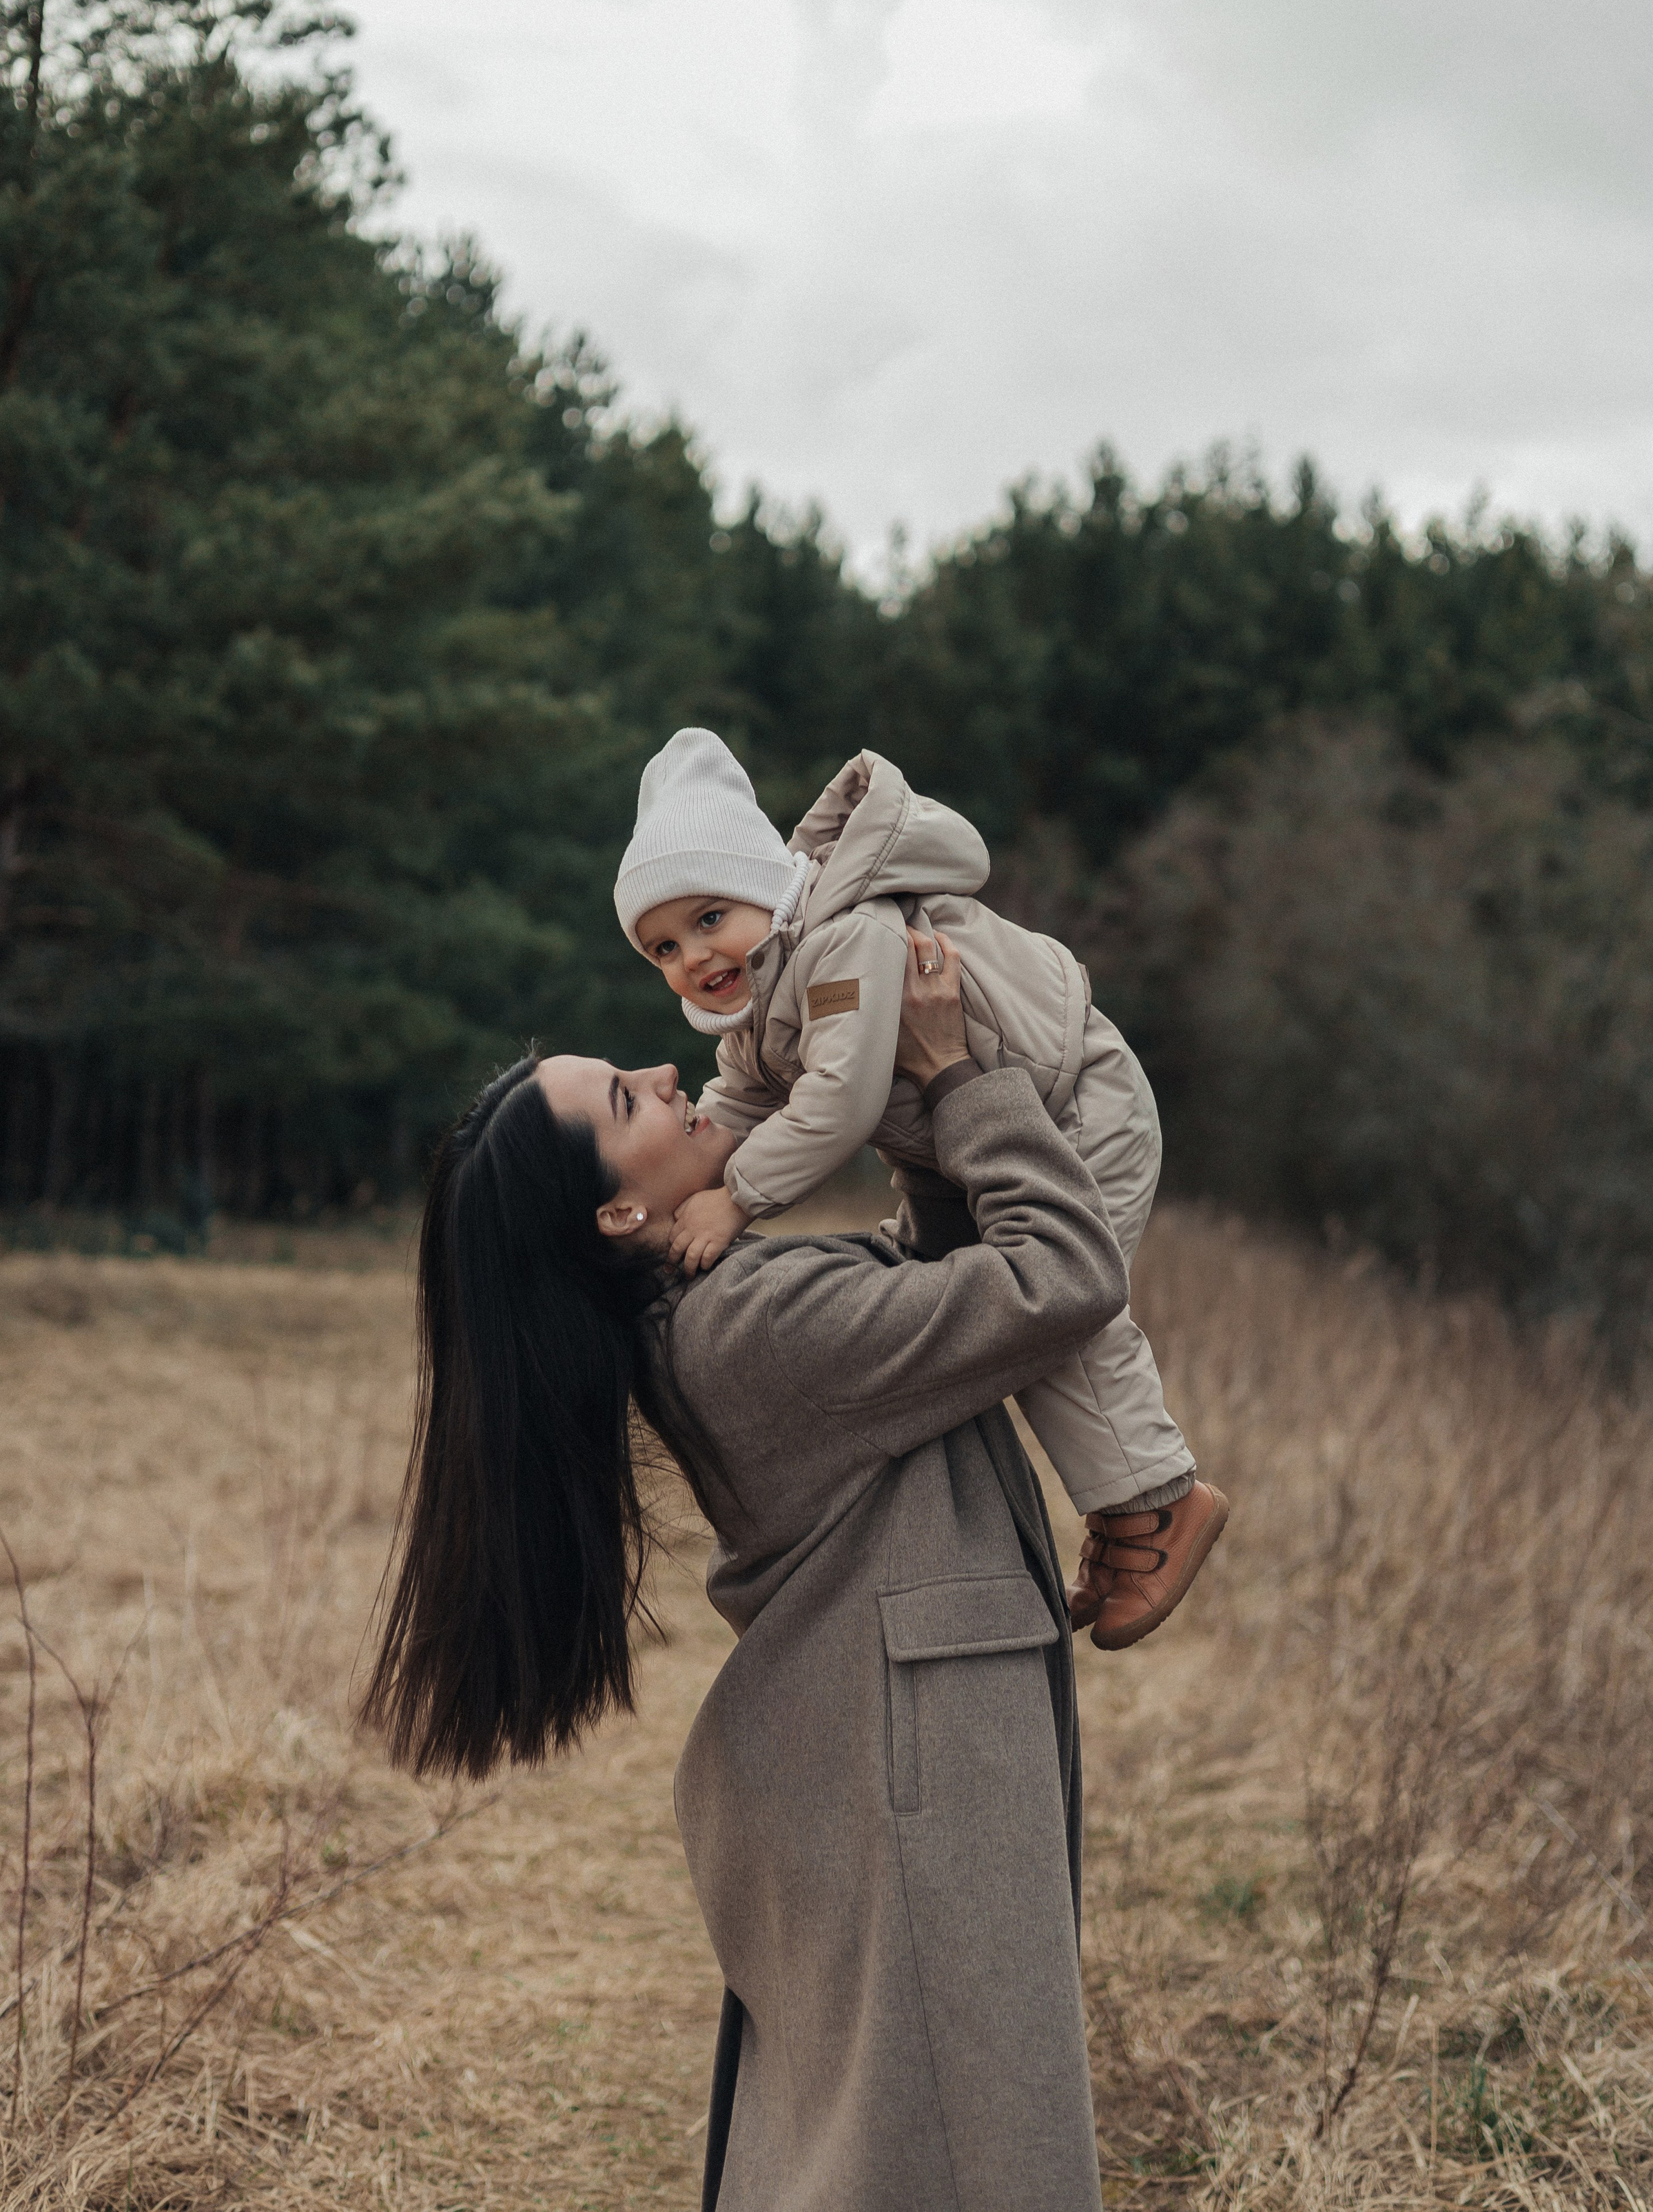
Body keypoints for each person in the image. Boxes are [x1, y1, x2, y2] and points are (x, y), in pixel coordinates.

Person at [362, 944, 1136, 2209]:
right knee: (958, 2144)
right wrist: (958, 1081)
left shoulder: (718, 1304)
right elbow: (1061, 1276)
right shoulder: (752, 1329)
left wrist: (903, 1085)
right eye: (628, 1098)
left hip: (899, 1746)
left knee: (892, 2141)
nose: (668, 1072)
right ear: (619, 1212)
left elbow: (940, 1284)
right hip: (912, 1765)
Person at [616, 727, 1227, 1648]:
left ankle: (1156, 1499)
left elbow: (842, 1100)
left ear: (767, 886)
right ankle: (1121, 1505)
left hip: (1069, 1105)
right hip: (961, 1140)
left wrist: (735, 1195)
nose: (693, 957)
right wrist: (664, 1204)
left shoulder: (842, 943)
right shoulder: (754, 999)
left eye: (710, 919)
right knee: (971, 1300)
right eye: (662, 946)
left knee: (1058, 1306)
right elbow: (737, 1101)